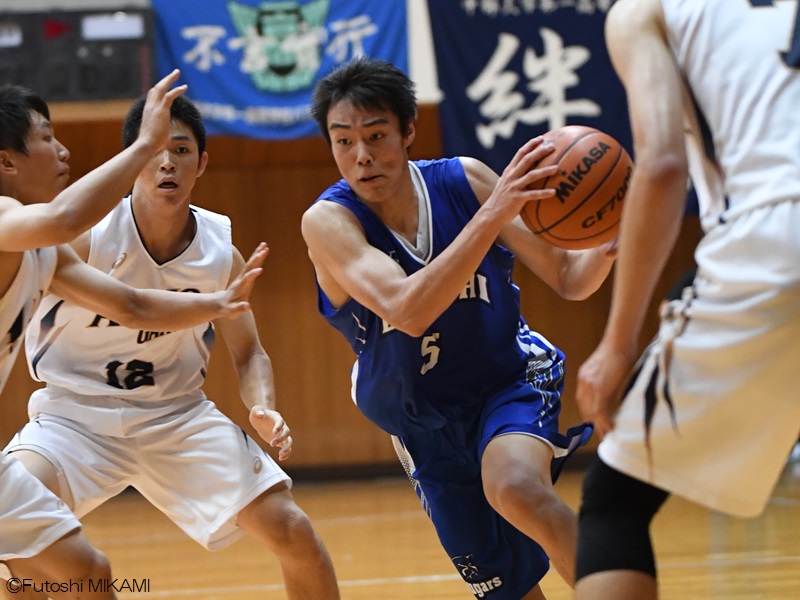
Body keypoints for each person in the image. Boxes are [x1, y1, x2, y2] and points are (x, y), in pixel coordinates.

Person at [302, 56, 617, 599]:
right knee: (508, 588)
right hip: (421, 421)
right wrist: (491, 215)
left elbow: (568, 276)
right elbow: (407, 308)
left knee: (515, 486)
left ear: (407, 132)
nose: (361, 156)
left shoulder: (465, 181)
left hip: (505, 377)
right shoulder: (330, 222)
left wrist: (615, 230)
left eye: (376, 136)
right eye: (343, 141)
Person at [5, 93, 340, 600]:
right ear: (132, 160)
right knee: (21, 561)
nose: (166, 161)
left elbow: (234, 346)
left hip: (175, 417)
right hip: (74, 418)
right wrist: (214, 305)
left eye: (180, 150)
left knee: (295, 532)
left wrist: (262, 404)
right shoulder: (72, 236)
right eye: (154, 148)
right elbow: (113, 280)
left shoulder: (218, 252)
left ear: (201, 162)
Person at [573, 0, 800, 598]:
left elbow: (665, 165)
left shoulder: (644, 11)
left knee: (613, 503)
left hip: (777, 241)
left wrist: (617, 343)